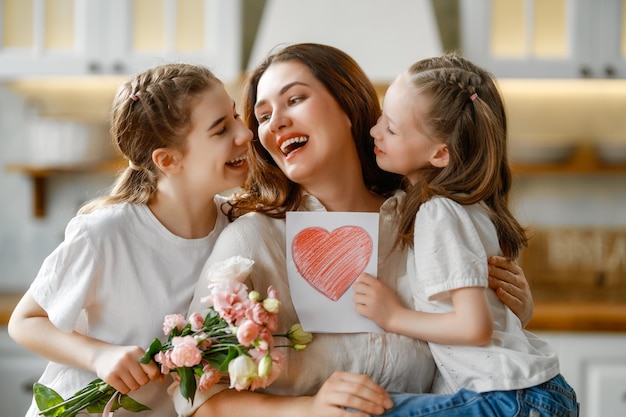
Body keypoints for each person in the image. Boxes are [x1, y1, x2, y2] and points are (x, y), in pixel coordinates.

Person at [172, 43, 535, 417]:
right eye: (263, 117)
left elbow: (473, 351)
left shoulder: (424, 223)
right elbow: (196, 401)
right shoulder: (250, 243)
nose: (274, 122)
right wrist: (308, 410)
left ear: (347, 105)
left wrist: (513, 313)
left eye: (294, 99)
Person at [8, 63, 253, 417]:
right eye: (221, 129)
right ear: (168, 160)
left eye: (236, 116)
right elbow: (25, 321)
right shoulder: (104, 233)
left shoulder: (237, 227)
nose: (244, 134)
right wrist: (99, 355)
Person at [352, 53, 578, 416]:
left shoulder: (437, 212)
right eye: (382, 118)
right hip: (535, 392)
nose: (374, 132)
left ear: (441, 153)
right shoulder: (469, 206)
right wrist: (524, 308)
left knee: (349, 411)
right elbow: (496, 315)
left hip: (506, 398)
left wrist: (391, 315)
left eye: (391, 129)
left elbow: (474, 327)